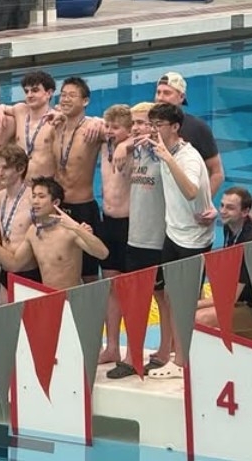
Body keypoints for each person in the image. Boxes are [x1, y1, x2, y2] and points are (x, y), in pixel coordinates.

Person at [146, 102, 215, 380]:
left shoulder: (187, 157)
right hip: (174, 234)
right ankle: (180, 356)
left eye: (159, 125)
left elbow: (190, 191)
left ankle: (185, 360)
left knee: (187, 302)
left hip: (193, 240)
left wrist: (167, 157)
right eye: (153, 125)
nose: (155, 131)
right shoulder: (164, 150)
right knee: (173, 298)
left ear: (175, 127)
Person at [105, 103, 172, 379]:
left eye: (144, 123)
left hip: (157, 238)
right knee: (136, 297)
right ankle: (135, 355)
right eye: (135, 123)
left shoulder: (167, 155)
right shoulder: (139, 150)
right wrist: (127, 143)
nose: (138, 128)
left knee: (160, 297)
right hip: (137, 237)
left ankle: (163, 351)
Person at [0, 177, 108, 291]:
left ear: (55, 202)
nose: (35, 201)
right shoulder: (33, 231)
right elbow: (14, 264)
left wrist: (77, 228)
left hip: (72, 298)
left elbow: (102, 253)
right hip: (48, 300)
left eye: (41, 196)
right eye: (33, 196)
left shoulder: (69, 230)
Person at [194, 187, 252, 342]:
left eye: (230, 208)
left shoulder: (251, 243)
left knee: (199, 318)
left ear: (245, 212)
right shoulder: (229, 228)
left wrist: (194, 304)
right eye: (222, 205)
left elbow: (230, 298)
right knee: (246, 355)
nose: (223, 211)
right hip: (241, 301)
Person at [51, 77, 102, 282]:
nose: (65, 99)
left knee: (89, 273)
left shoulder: (93, 129)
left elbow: (124, 127)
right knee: (60, 267)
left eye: (72, 95)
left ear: (85, 101)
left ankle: (95, 314)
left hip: (83, 208)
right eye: (63, 95)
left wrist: (101, 121)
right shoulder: (55, 125)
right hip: (58, 207)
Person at [98, 104, 133, 361]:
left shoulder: (135, 145)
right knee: (111, 287)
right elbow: (88, 122)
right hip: (107, 222)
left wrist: (126, 143)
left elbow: (147, 134)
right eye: (108, 127)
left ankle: (132, 348)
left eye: (116, 128)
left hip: (130, 225)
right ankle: (112, 347)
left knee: (130, 289)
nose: (110, 132)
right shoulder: (103, 143)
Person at [154, 72, 224, 196]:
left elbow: (217, 173)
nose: (160, 98)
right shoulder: (148, 124)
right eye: (158, 92)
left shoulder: (197, 128)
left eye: (167, 93)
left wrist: (204, 204)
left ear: (181, 97)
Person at [0, 144, 37, 304]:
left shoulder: (33, 198)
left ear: (20, 169)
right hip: (5, 271)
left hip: (28, 272)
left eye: (5, 168)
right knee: (5, 325)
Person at [5, 71, 57, 179]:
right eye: (26, 91)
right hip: (21, 186)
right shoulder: (20, 111)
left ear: (49, 93)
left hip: (45, 186)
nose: (29, 95)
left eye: (35, 90)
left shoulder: (55, 119)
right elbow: (0, 108)